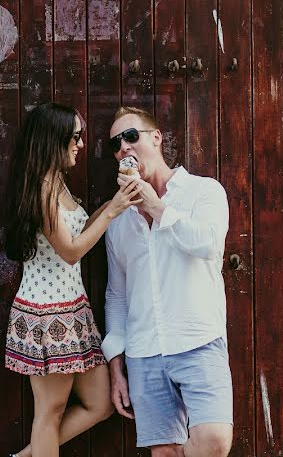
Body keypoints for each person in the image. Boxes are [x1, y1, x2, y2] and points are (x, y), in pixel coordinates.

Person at [3, 102, 143, 457]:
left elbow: (81, 227)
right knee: (49, 413)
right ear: (54, 139)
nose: (81, 144)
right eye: (76, 136)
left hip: (72, 312)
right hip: (47, 315)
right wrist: (114, 209)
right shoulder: (41, 190)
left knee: (100, 402)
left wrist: (119, 200)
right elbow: (70, 250)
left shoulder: (57, 182)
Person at [102, 106, 234, 457]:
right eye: (116, 144)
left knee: (214, 442)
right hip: (144, 352)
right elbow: (116, 296)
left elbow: (208, 244)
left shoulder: (203, 192)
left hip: (198, 340)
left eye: (131, 136)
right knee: (163, 454)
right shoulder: (117, 223)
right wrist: (116, 366)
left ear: (156, 138)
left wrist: (157, 207)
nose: (124, 148)